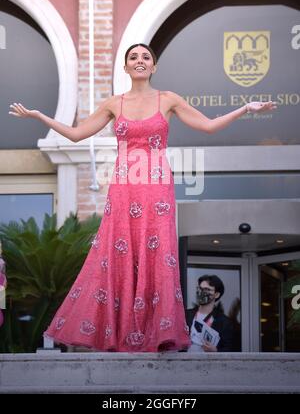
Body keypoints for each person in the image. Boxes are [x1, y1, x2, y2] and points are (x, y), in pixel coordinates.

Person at [9, 43, 276, 352]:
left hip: (157, 188)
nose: (139, 60)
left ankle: (156, 333)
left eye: (145, 57)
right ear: (126, 68)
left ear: (154, 66)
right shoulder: (113, 103)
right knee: (120, 254)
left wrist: (245, 108)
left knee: (157, 254)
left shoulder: (168, 99)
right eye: (133, 57)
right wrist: (40, 116)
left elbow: (208, 126)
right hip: (123, 187)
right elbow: (77, 134)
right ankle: (120, 333)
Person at [186, 275, 235, 352]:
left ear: (216, 294)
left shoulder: (224, 322)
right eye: (200, 288)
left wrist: (215, 350)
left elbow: (230, 350)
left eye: (207, 289)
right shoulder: (186, 315)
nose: (202, 292)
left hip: (209, 363)